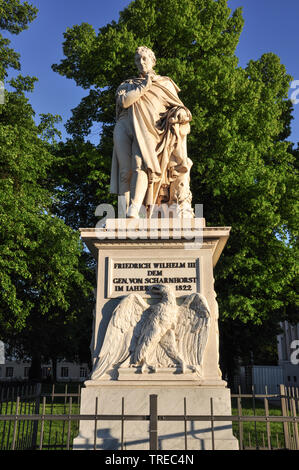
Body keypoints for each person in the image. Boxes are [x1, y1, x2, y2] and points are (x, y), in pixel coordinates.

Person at [110, 46, 193, 218]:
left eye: (144, 59)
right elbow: (124, 102)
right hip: (124, 126)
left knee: (140, 164)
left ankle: (134, 209)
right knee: (125, 172)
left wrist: (180, 113)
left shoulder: (165, 84)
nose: (140, 62)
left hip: (149, 127)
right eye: (137, 59)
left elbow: (182, 109)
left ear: (153, 61)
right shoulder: (127, 84)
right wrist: (145, 85)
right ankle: (122, 214)